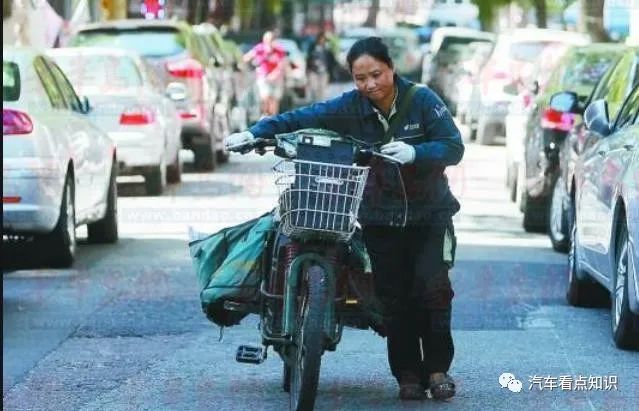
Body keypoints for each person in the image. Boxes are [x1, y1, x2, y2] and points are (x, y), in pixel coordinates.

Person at [225, 37, 463, 402]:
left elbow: (453, 146)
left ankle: (437, 369)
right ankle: (408, 375)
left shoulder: (423, 101)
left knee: (431, 291)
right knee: (393, 297)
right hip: (379, 218)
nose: (370, 84)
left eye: (376, 74)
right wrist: (255, 132)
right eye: (360, 77)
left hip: (429, 215)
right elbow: (302, 117)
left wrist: (416, 151)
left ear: (391, 68)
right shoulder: (351, 107)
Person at [243, 30, 287, 116]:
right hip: (263, 76)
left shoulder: (279, 50)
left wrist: (274, 75)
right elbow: (247, 57)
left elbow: (282, 65)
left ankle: (274, 118)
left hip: (276, 78)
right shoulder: (259, 48)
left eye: (271, 40)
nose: (268, 42)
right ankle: (265, 115)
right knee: (265, 97)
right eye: (267, 40)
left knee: (274, 99)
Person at [305, 31, 335, 101]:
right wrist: (307, 69)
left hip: (324, 71)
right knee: (313, 88)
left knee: (322, 90)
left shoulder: (327, 48)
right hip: (313, 71)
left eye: (324, 39)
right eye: (321, 38)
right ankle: (314, 104)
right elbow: (308, 58)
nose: (322, 40)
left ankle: (320, 106)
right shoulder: (312, 47)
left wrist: (330, 70)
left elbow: (332, 60)